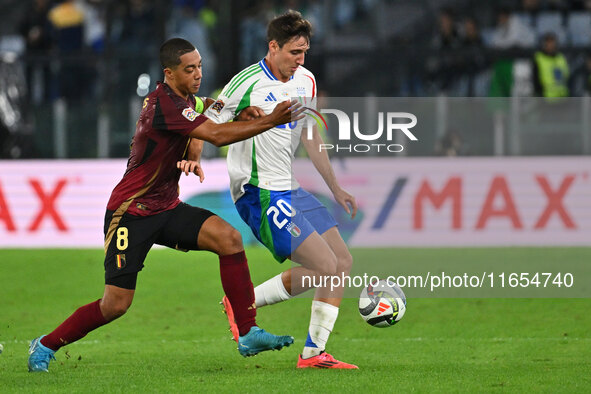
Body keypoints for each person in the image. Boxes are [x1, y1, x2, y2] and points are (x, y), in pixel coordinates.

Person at [27, 38, 304, 372]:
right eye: (190, 69)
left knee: (229, 239)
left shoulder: (184, 99)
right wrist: (271, 120)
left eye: (200, 66)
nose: (198, 73)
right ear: (169, 73)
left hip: (166, 208)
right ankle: (43, 345)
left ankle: (247, 332)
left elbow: (210, 108)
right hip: (131, 213)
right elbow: (216, 135)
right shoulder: (164, 104)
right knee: (115, 304)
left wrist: (241, 112)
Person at [205, 11, 358, 369]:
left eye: (304, 52)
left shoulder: (306, 80)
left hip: (290, 187)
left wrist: (335, 187)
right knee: (324, 265)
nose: (300, 60)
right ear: (273, 47)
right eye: (294, 52)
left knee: (342, 262)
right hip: (258, 191)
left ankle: (313, 353)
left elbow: (310, 134)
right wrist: (191, 156)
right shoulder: (244, 82)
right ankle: (243, 302)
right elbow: (209, 122)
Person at [533, 32, 570, 98]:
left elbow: (566, 76)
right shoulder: (539, 58)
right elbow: (535, 80)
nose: (550, 46)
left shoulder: (561, 58)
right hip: (546, 97)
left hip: (562, 96)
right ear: (544, 45)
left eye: (552, 43)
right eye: (548, 43)